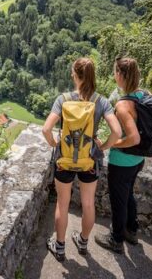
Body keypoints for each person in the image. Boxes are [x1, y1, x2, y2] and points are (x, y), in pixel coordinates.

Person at [42, 57, 121, 262]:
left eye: (72, 72)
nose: (71, 75)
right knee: (88, 204)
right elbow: (117, 131)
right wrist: (102, 146)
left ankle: (59, 247)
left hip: (65, 159)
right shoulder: (101, 101)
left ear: (76, 76)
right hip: (89, 161)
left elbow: (46, 128)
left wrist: (54, 144)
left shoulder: (63, 99)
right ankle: (83, 242)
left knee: (62, 203)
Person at [95, 56, 145, 254]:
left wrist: (112, 144)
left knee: (118, 201)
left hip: (122, 161)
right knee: (128, 195)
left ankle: (116, 239)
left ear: (121, 75)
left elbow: (133, 138)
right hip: (138, 160)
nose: (114, 75)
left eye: (116, 72)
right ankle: (131, 231)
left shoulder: (123, 106)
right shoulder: (144, 95)